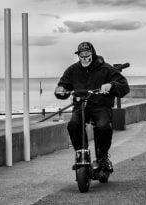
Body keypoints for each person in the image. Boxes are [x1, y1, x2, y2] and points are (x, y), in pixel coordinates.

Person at [54, 42, 130, 172]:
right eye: (81, 54)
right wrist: (60, 91)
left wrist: (111, 85)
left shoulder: (105, 69)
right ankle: (80, 153)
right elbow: (63, 87)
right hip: (81, 106)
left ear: (92, 54)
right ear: (78, 55)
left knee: (103, 127)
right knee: (73, 125)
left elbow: (124, 87)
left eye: (87, 54)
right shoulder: (72, 70)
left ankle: (103, 157)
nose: (84, 57)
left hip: (101, 105)